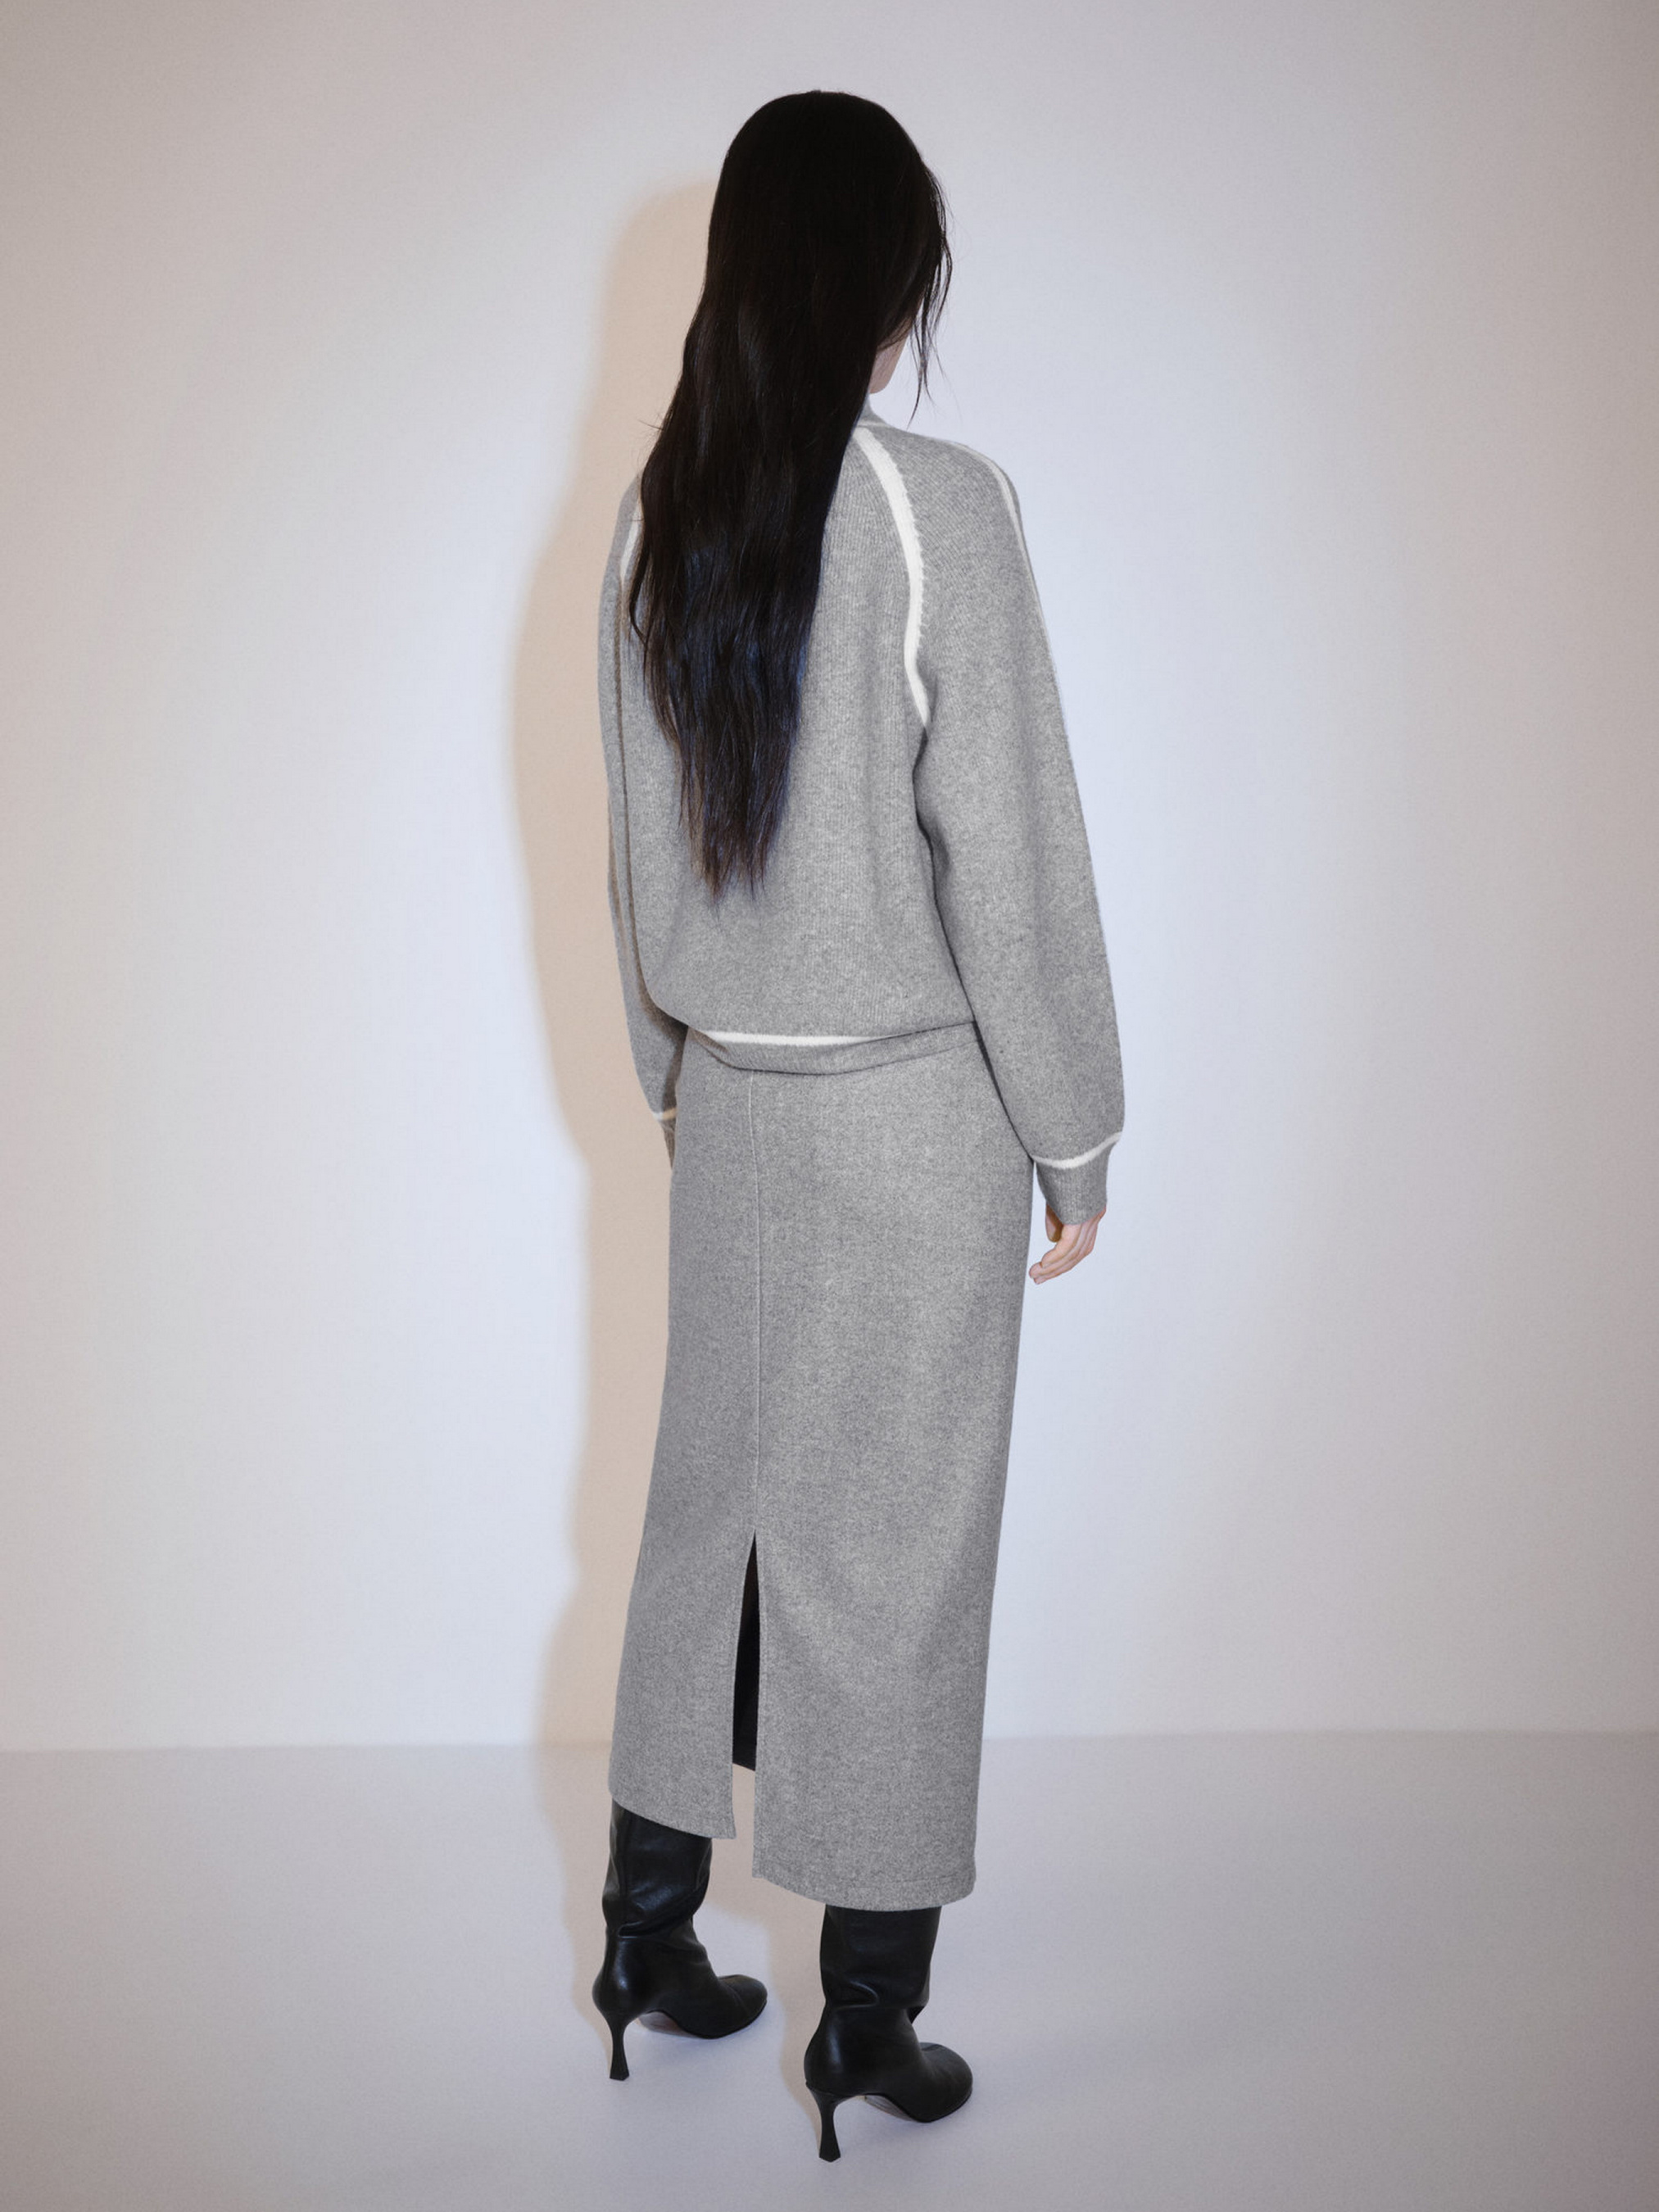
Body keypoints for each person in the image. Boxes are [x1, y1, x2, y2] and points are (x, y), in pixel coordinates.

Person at [590, 91, 1122, 2162]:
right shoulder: (932, 510)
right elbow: (1014, 856)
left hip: (736, 1106)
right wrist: (1073, 1131)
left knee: (704, 1518)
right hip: (912, 1118)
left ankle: (645, 1942)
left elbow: (636, 862)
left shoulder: (658, 516)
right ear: (886, 280)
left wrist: (675, 1077)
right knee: (892, 1553)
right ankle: (864, 2023)